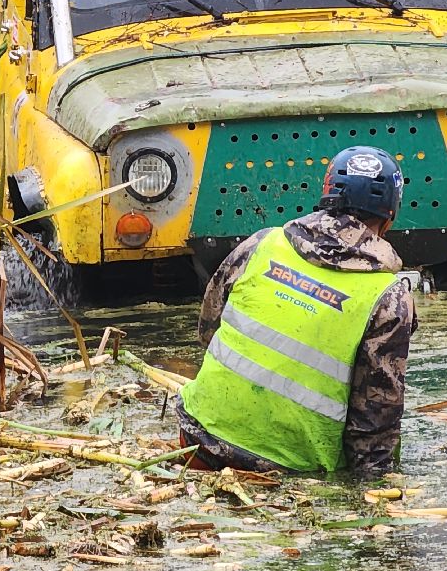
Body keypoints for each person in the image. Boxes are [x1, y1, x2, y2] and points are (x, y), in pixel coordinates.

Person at [176, 146, 416, 476]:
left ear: (327, 196)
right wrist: (376, 489)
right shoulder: (389, 299)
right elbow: (375, 421)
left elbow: (208, 331)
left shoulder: (261, 244)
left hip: (196, 442)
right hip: (287, 472)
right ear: (389, 219)